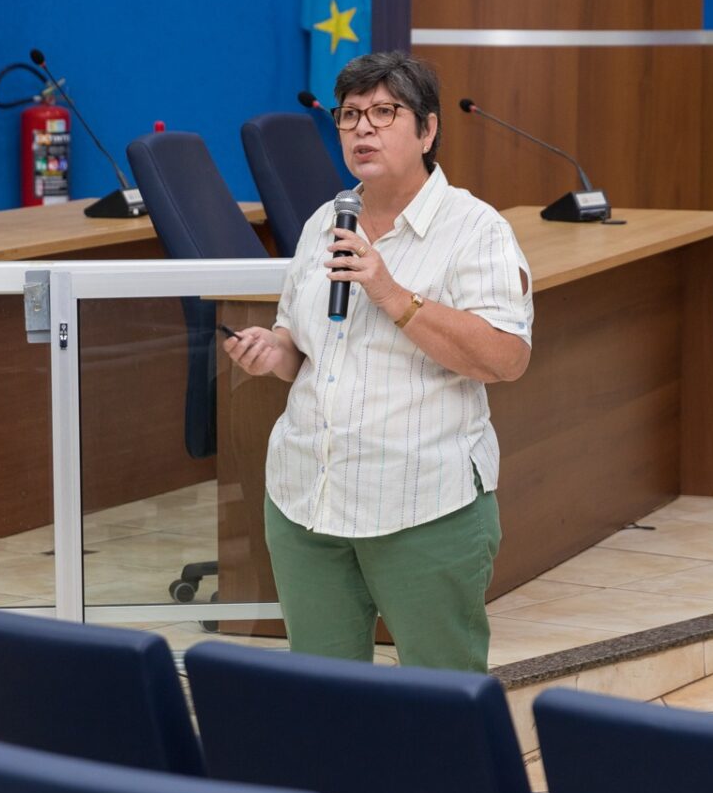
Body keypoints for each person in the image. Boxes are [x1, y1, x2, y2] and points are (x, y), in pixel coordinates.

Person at [224, 51, 532, 672]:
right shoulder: (326, 221)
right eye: (349, 115)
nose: (362, 128)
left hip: (423, 505)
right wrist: (272, 351)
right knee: (324, 695)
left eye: (384, 112)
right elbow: (302, 347)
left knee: (440, 698)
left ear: (427, 130)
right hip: (308, 501)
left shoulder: (475, 229)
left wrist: (393, 295)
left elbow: (506, 358)